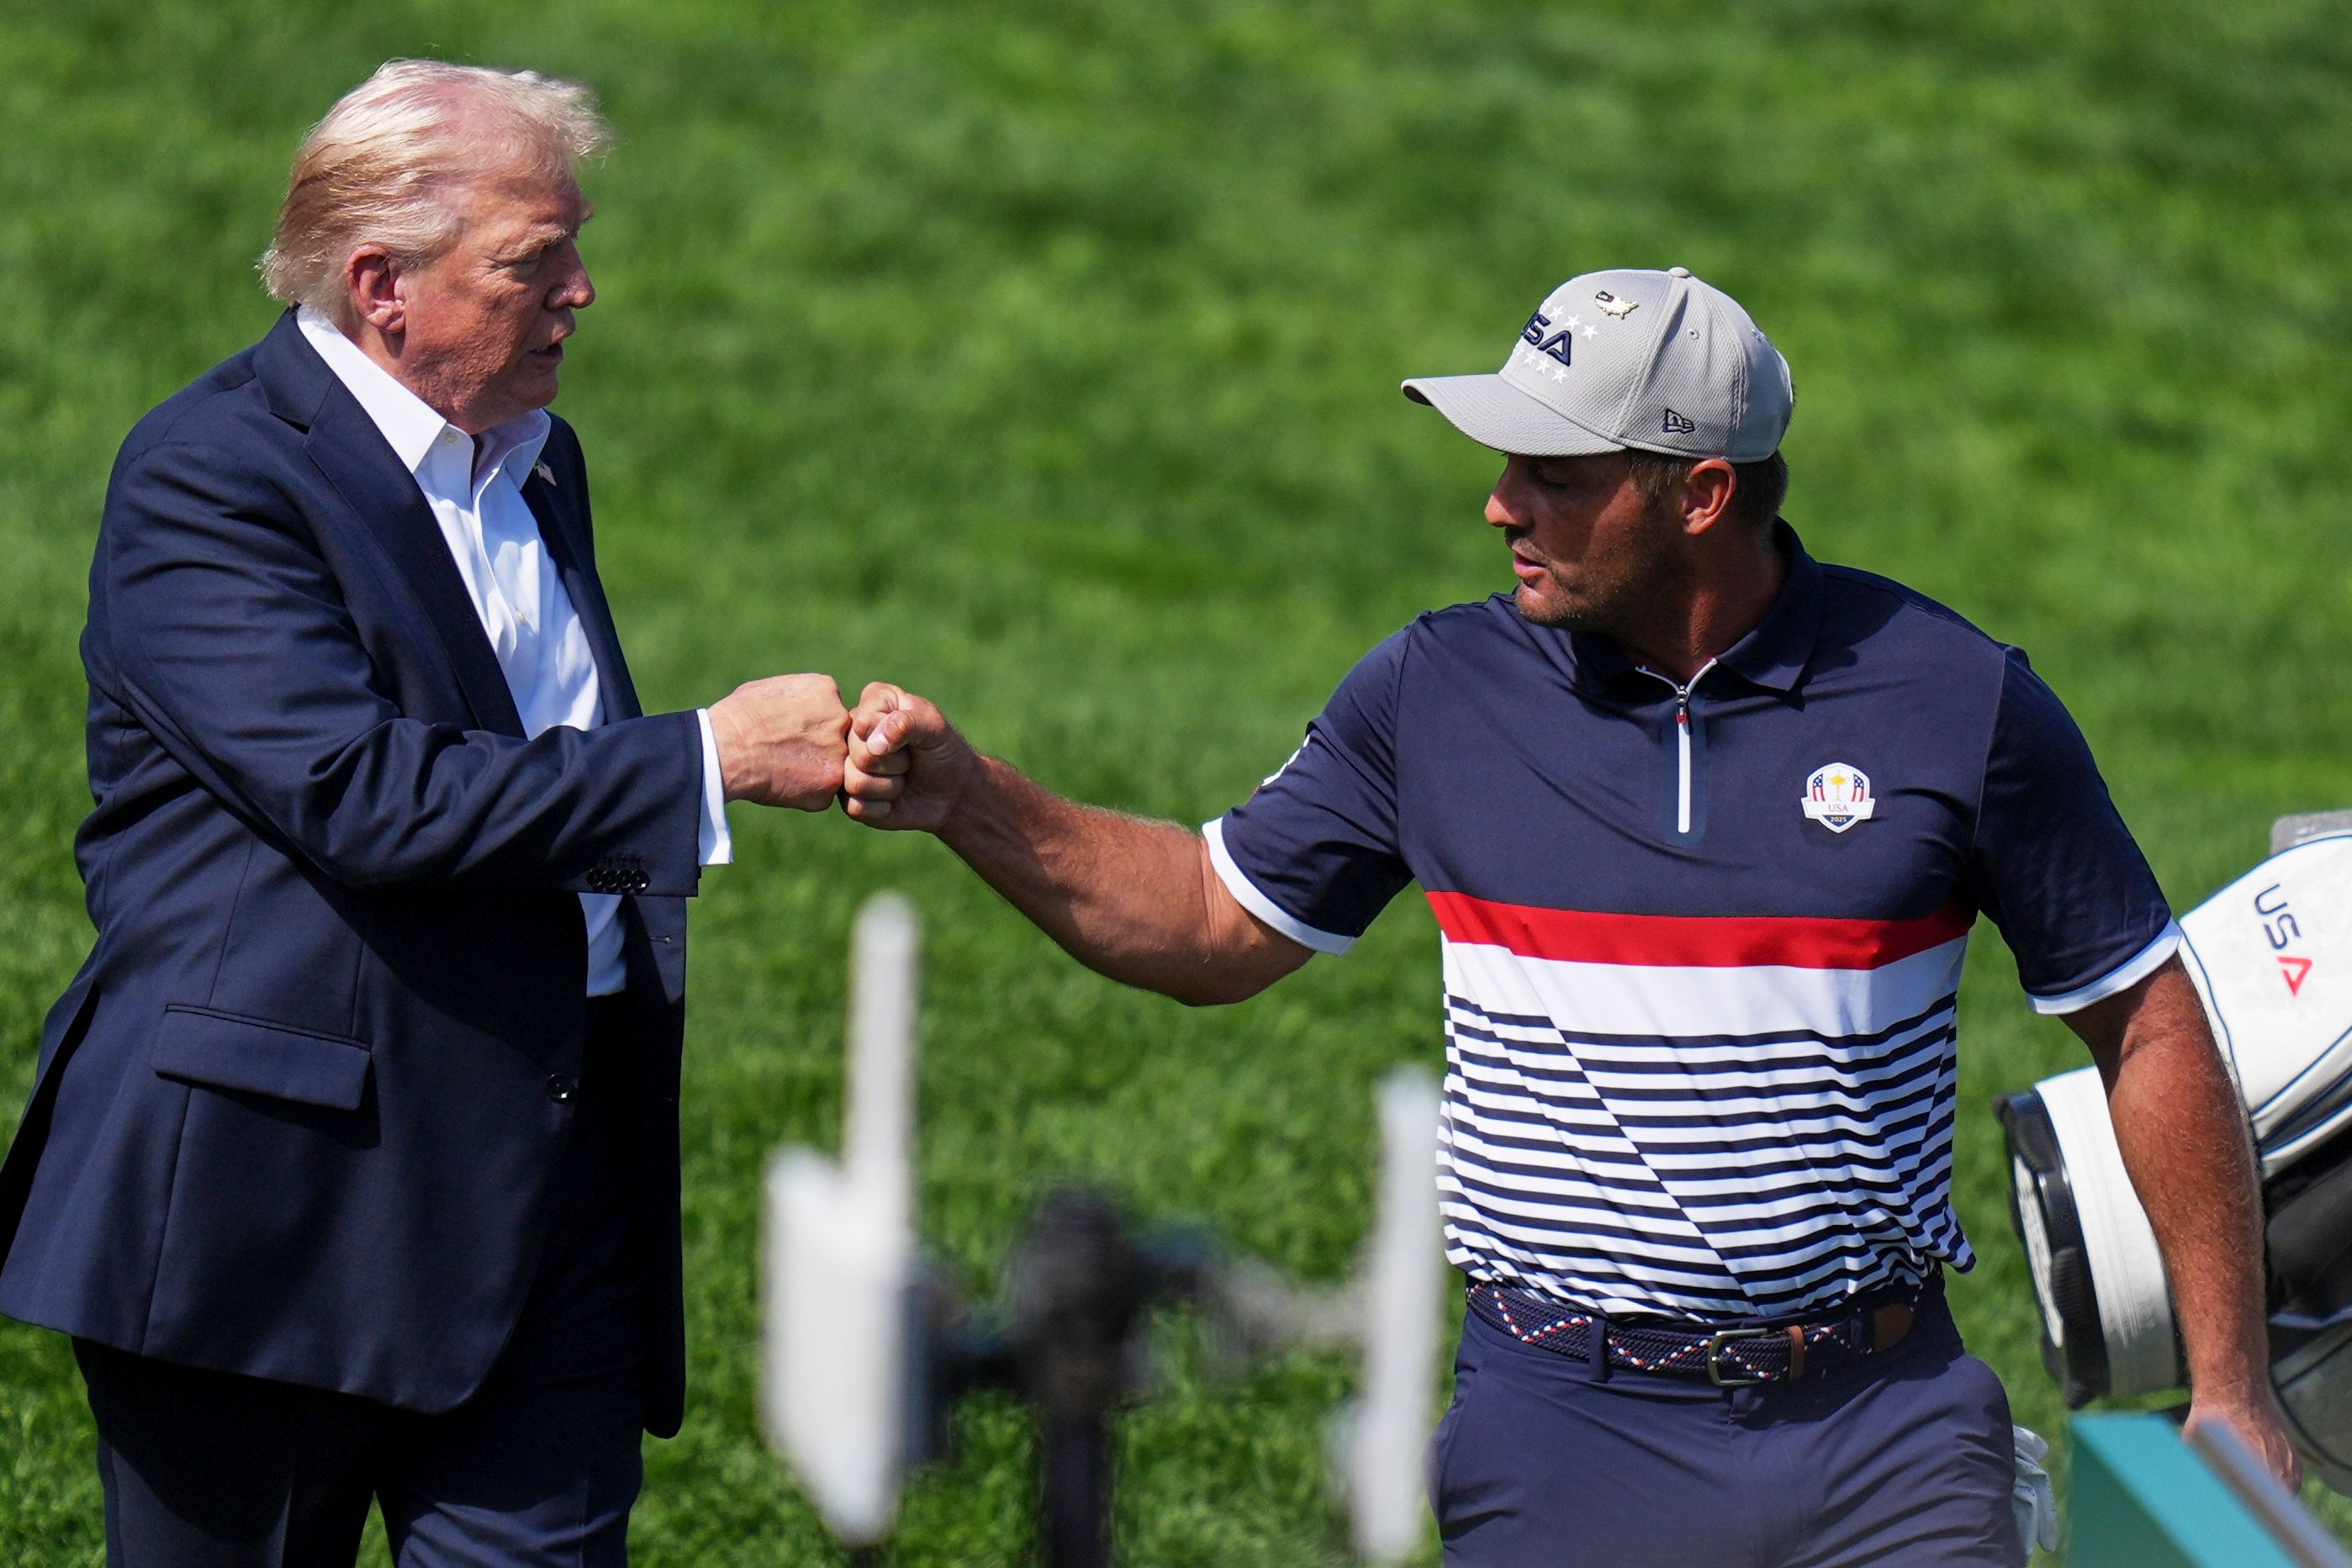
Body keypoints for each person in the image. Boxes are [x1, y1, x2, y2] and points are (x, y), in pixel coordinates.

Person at [837, 266, 2300, 1564]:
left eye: (1551, 469)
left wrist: (2229, 1387)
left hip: (1886, 1429)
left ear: (1700, 492)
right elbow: (1212, 921)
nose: (1498, 504)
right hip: (1567, 1427)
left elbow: (2146, 1018)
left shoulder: (1955, 700)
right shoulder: (1433, 696)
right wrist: (970, 796)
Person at [0, 61, 849, 1564]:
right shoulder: (209, 475)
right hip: (272, 1212)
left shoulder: (538, 461)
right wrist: (704, 762)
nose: (582, 291)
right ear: (381, 284)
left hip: (552, 1177)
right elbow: (359, 791)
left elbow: (532, 753)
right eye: (536, 262)